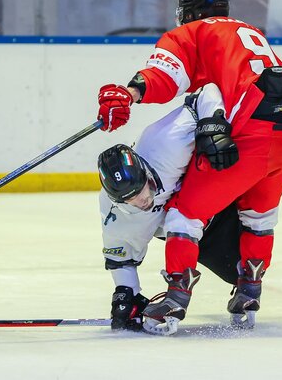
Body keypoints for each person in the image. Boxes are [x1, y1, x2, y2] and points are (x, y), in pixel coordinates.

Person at [96, 0, 282, 334]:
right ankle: (249, 288)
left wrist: (129, 93)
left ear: (190, 13)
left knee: (185, 213)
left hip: (252, 132)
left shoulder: (192, 32)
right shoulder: (248, 31)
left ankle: (176, 297)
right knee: (259, 212)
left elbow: (163, 76)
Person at [99, 84, 245, 335]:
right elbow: (120, 257)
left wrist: (213, 125)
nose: (141, 201)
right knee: (236, 270)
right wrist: (126, 294)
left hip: (215, 205)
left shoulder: (164, 142)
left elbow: (206, 93)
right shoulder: (115, 214)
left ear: (144, 170)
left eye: (141, 190)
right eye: (130, 200)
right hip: (194, 233)